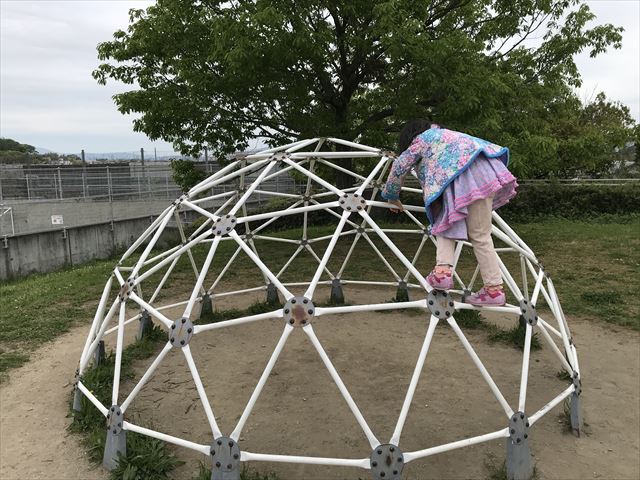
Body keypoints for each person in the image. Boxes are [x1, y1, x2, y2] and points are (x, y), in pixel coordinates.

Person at [381, 119, 518, 306]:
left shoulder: (422, 140)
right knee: (481, 236)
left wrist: (392, 196)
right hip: (486, 176)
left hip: (458, 178)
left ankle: (442, 272)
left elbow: (399, 166)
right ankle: (494, 291)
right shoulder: (447, 135)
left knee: (444, 220)